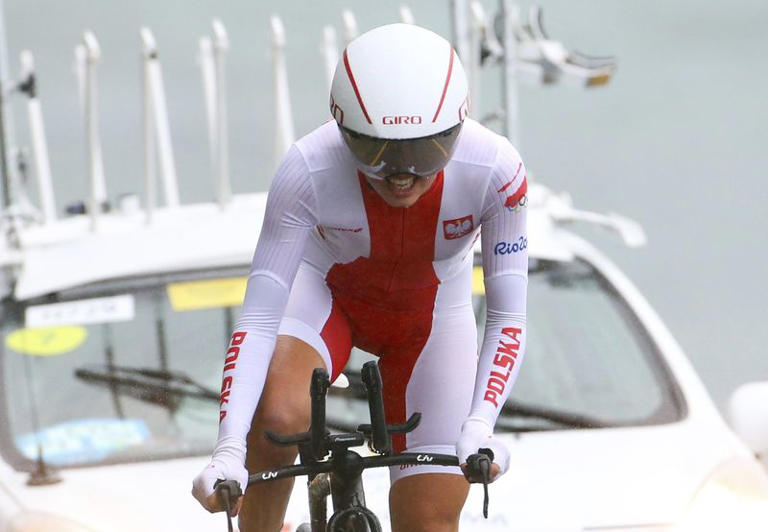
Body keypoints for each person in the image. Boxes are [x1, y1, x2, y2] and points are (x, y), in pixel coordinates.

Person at [192, 22, 528, 532]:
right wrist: (228, 450)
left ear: (458, 129)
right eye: (375, 151)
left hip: (432, 318)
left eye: (424, 153)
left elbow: (507, 315)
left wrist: (481, 424)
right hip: (326, 297)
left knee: (429, 521)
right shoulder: (306, 168)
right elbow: (259, 319)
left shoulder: (496, 170)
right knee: (281, 417)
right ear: (341, 130)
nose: (401, 175)